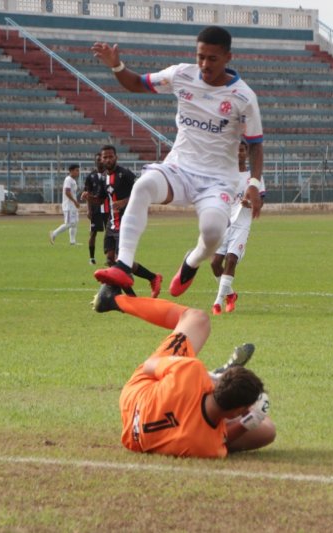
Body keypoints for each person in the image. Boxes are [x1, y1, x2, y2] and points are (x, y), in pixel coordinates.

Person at [91, 25, 265, 298]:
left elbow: (255, 144)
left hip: (218, 180)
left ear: (228, 58)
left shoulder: (243, 97)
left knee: (212, 234)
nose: (205, 64)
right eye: (200, 57)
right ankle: (123, 265)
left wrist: (253, 182)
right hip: (179, 168)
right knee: (143, 186)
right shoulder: (181, 74)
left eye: (212, 59)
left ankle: (191, 262)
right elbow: (137, 83)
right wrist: (116, 66)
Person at [91, 283, 276, 458]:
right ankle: (217, 378)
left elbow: (149, 365)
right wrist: (248, 421)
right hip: (137, 434)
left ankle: (112, 300)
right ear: (235, 413)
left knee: (197, 318)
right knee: (267, 430)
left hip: (135, 398)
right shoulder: (206, 448)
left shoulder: (190, 371)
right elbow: (223, 438)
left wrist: (181, 367)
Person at [96, 145, 163, 298]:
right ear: (101, 159)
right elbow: (100, 198)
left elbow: (140, 191)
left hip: (125, 222)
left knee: (121, 262)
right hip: (112, 223)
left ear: (116, 157)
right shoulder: (103, 177)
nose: (108, 159)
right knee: (110, 260)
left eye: (110, 156)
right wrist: (89, 197)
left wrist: (124, 202)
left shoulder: (125, 174)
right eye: (105, 157)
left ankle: (138, 292)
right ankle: (150, 280)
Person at [210, 141, 264, 315]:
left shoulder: (254, 178)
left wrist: (250, 204)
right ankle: (231, 295)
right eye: (236, 150)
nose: (238, 153)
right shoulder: (225, 175)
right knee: (215, 263)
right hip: (225, 224)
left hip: (242, 225)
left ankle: (218, 302)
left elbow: (260, 202)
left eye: (241, 150)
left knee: (231, 259)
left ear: (247, 153)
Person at [80, 153, 106, 264]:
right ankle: (91, 258)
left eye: (101, 159)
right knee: (93, 233)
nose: (100, 161)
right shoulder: (90, 176)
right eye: (98, 160)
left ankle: (110, 257)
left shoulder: (109, 175)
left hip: (108, 208)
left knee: (111, 233)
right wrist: (89, 209)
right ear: (95, 162)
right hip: (95, 208)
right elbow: (87, 193)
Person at [49, 164, 81, 245]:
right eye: (77, 170)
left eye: (78, 170)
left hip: (73, 206)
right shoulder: (68, 179)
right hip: (69, 206)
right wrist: (75, 201)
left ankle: (72, 242)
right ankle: (54, 233)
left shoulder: (73, 180)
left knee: (75, 223)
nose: (78, 172)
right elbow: (67, 192)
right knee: (69, 224)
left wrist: (75, 202)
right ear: (71, 171)